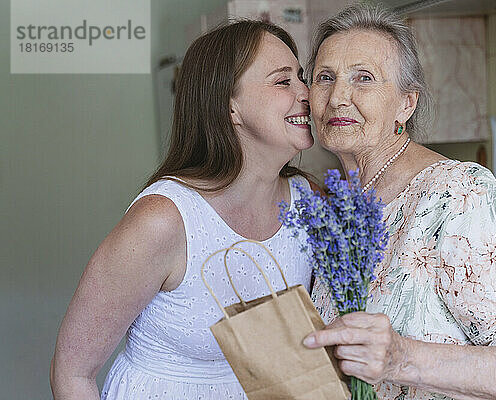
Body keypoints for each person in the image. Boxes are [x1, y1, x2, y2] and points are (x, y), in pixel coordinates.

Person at [304, 4, 496, 400]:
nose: (339, 96)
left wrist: (400, 357)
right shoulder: (340, 209)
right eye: (326, 77)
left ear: (406, 104)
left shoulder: (460, 195)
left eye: (364, 78)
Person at [50, 20, 317, 400]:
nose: (306, 93)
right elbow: (72, 371)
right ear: (230, 107)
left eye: (302, 77)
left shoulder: (314, 205)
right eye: (282, 81)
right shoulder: (163, 222)